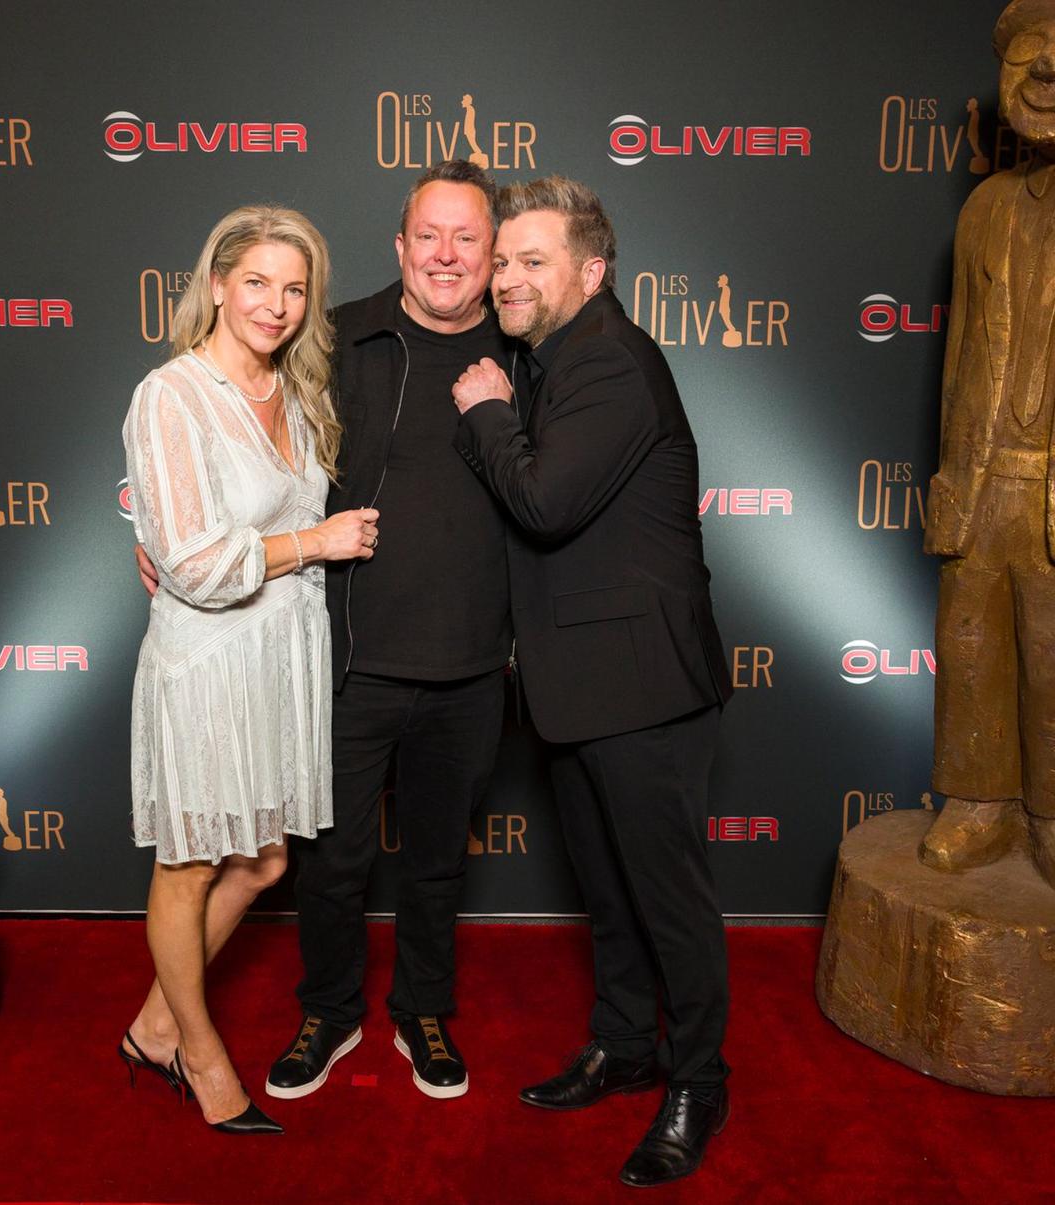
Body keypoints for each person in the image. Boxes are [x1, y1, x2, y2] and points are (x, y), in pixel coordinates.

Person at [452, 176, 733, 1187]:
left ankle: (700, 1078)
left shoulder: (606, 361)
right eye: (505, 260)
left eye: (535, 260)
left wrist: (486, 411)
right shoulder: (554, 358)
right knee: (608, 893)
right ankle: (627, 1043)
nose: (509, 276)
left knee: (670, 903)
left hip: (644, 687)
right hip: (580, 682)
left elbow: (544, 500)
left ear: (591, 270)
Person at [121, 206, 378, 1135]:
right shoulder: (172, 392)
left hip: (281, 653)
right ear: (219, 283)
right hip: (210, 659)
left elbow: (189, 513)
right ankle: (200, 1051)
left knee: (264, 857)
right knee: (188, 862)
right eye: (259, 282)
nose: (276, 303)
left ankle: (152, 1024)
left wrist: (148, 525)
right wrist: (316, 541)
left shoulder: (298, 388)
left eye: (296, 287)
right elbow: (193, 564)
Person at [265, 160, 518, 1102]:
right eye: (430, 236)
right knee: (332, 862)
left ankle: (422, 1007)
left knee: (438, 860)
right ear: (400, 246)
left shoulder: (523, 351)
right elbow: (242, 432)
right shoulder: (337, 339)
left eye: (467, 239)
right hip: (350, 660)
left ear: (492, 255)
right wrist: (174, 536)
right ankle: (329, 1010)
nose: (446, 255)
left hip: (472, 662)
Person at [920, 0, 1055, 888]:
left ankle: (1050, 814)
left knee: (1052, 658)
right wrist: (951, 484)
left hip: (1051, 487)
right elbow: (962, 356)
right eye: (1030, 58)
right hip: (982, 485)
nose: (1044, 76)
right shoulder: (986, 208)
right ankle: (979, 804)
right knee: (971, 645)